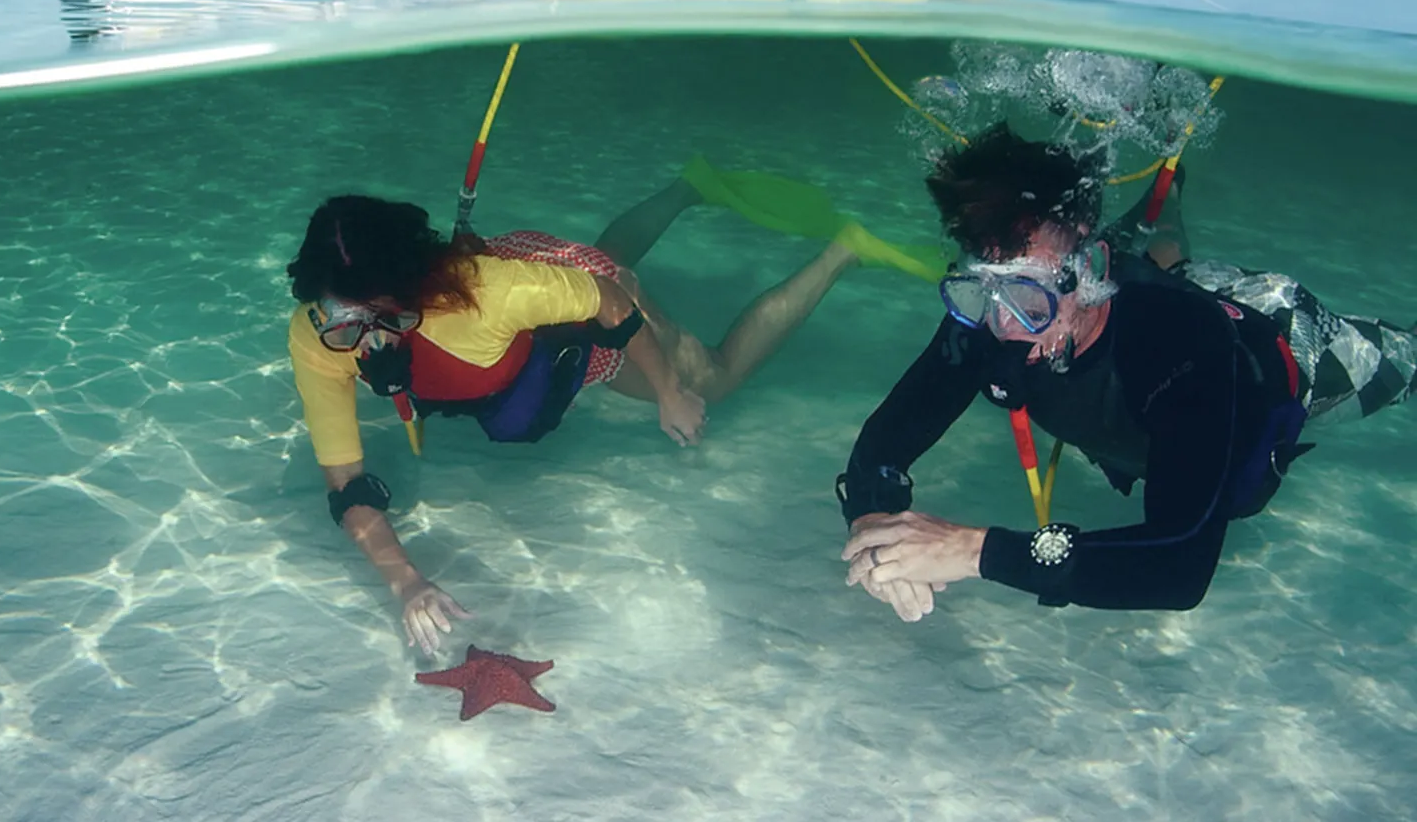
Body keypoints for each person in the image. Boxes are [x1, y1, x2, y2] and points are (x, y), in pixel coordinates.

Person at [837, 123, 1417, 620]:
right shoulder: (990, 313)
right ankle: (1163, 215)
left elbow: (1178, 569)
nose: (1004, 328)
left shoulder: (1181, 347)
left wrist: (971, 551)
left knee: (1408, 364)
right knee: (1167, 265)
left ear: (1088, 275)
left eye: (1028, 301)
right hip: (1156, 288)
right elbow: (880, 450)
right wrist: (877, 529)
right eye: (979, 293)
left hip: (1286, 340)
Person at [288, 175, 858, 654]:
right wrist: (406, 583)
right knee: (583, 296)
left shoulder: (494, 293)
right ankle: (689, 185)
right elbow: (345, 482)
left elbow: (609, 303)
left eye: (387, 319)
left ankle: (845, 249)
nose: (365, 346)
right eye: (343, 320)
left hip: (564, 306)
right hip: (536, 320)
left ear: (417, 292)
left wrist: (667, 393)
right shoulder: (318, 339)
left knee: (712, 377)